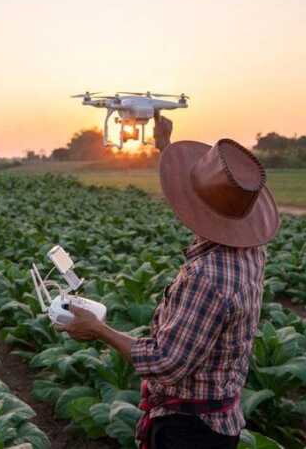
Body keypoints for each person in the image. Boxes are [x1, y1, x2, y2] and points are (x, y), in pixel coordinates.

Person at [56, 138, 280, 449]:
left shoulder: (207, 275)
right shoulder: (251, 252)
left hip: (189, 431)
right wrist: (163, 141)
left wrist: (98, 330)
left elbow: (166, 363)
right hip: (220, 420)